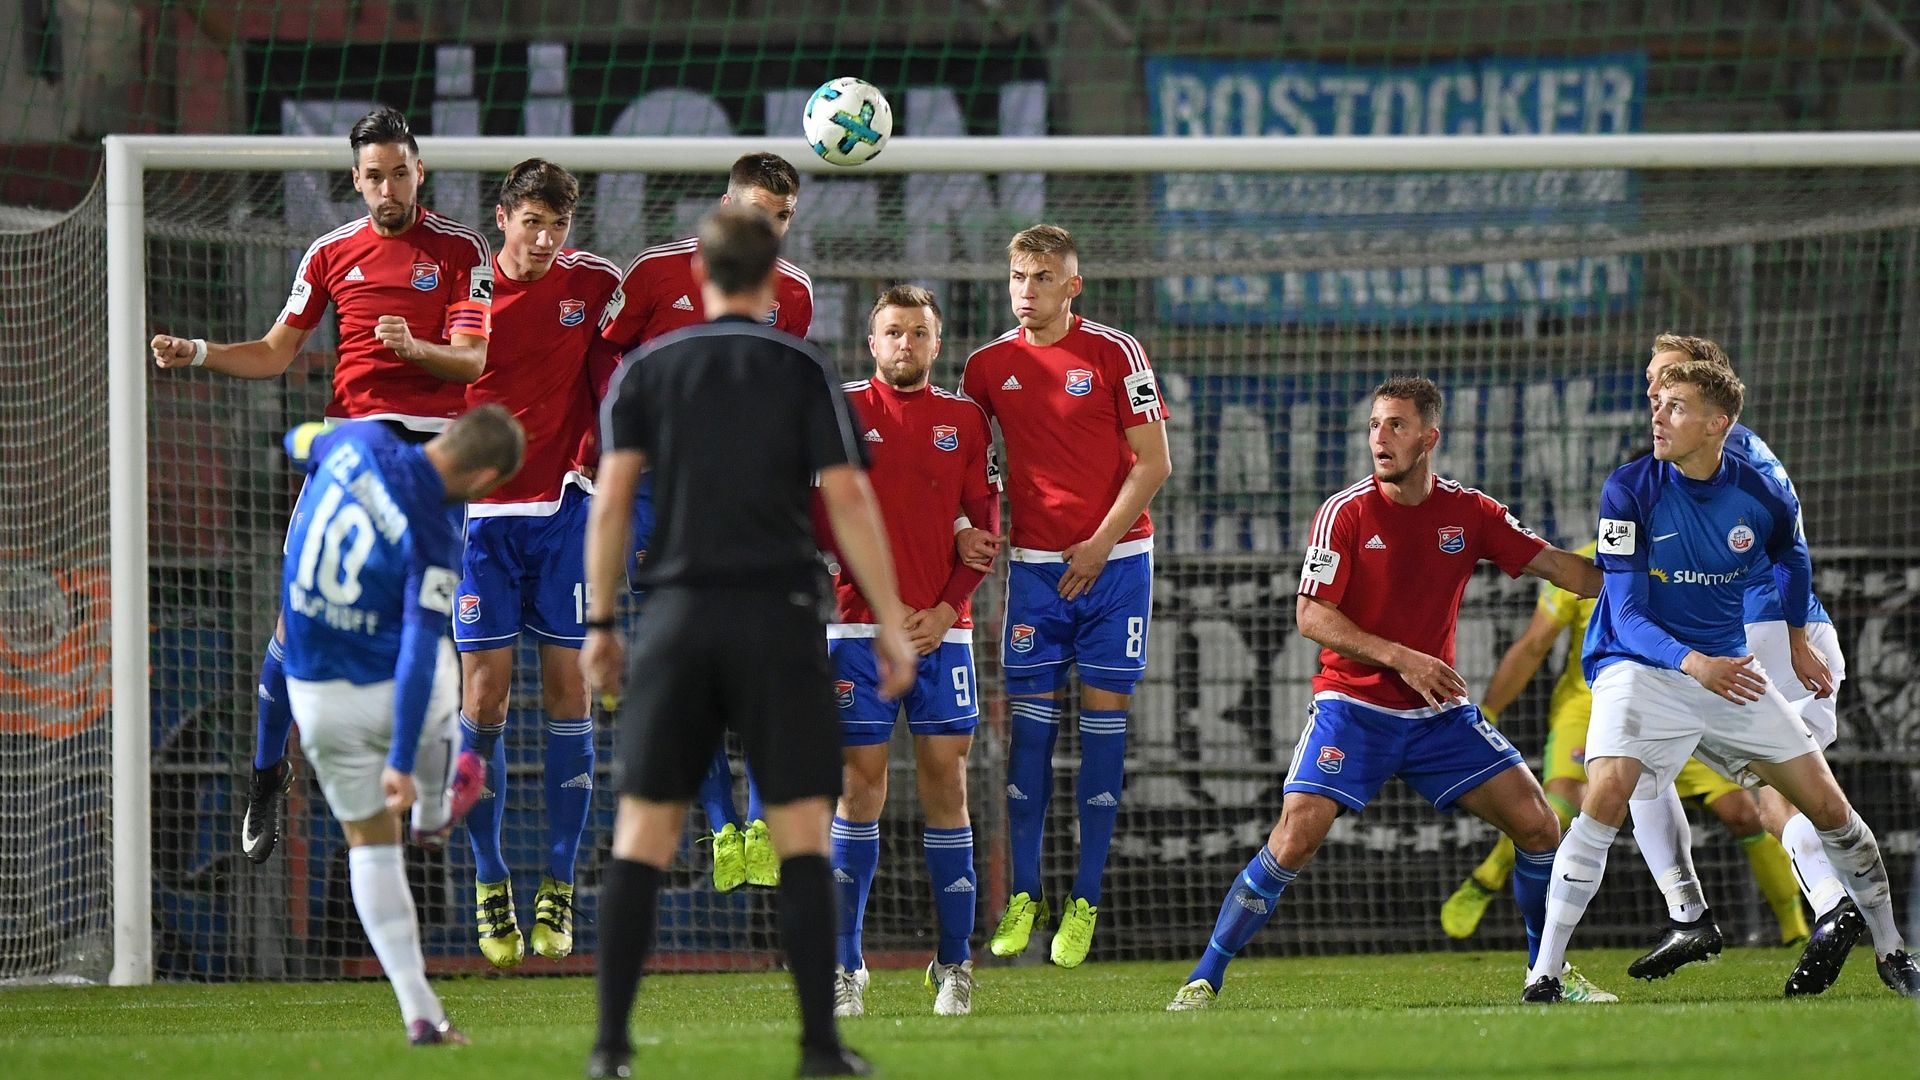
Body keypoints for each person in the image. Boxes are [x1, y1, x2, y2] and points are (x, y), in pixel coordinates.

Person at [580, 204, 913, 1079]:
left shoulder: (645, 371)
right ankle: (818, 1049)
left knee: (643, 835)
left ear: (699, 277)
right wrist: (885, 618)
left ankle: (611, 1050)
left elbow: (611, 503)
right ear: (772, 283)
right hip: (778, 620)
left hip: (677, 620)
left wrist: (602, 623)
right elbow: (847, 504)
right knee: (804, 834)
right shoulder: (803, 368)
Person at [1167, 377, 1613, 1011]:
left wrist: (1645, 574)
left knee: (1540, 826)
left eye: (1397, 425)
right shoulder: (1344, 513)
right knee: (1295, 837)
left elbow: (1564, 570)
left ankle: (1549, 975)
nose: (1381, 437)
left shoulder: (1471, 513)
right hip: (1353, 707)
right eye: (1375, 424)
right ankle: (1204, 977)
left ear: (1430, 438)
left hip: (1437, 714)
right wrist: (1403, 658)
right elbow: (1310, 615)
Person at [150, 105, 492, 865]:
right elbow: (276, 351)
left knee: (424, 626)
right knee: (293, 624)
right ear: (356, 179)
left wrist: (418, 347)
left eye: (401, 172)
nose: (389, 187)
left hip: (433, 459)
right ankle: (267, 773)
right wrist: (198, 350)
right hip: (346, 454)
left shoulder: (463, 249)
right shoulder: (331, 252)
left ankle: (420, 786)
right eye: (375, 176)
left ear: (419, 171)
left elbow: (471, 361)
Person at [1521, 359, 1918, 1002]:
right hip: (1642, 669)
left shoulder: (1760, 491)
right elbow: (1623, 612)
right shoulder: (1629, 488)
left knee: (1829, 808)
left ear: (1718, 423)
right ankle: (1546, 974)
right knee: (1610, 790)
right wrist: (1694, 663)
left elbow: (1791, 555)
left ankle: (1894, 951)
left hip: (1730, 671)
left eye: (1673, 403)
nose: (1656, 412)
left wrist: (1793, 639)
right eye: (1656, 400)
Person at [596, 151, 813, 893]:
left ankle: (757, 819)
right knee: (688, 666)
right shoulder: (655, 272)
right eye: (757, 212)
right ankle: (723, 827)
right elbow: (605, 358)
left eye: (781, 217)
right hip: (662, 494)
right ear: (725, 208)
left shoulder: (796, 294)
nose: (768, 227)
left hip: (745, 505)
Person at [1623, 335, 1863, 995]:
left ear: (1710, 393)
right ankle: (1829, 905)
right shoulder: (1725, 456)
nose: (1654, 393)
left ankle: (1693, 913)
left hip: (1763, 635)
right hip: (1785, 633)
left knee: (1637, 756)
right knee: (1771, 797)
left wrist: (1784, 639)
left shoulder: (1725, 462)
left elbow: (1775, 556)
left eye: (1668, 380)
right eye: (1651, 381)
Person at [960, 224, 1171, 969]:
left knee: (1104, 724)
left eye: (1043, 278)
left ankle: (1083, 900)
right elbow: (966, 466)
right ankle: (1027, 895)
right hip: (1036, 571)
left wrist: (1100, 543)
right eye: (1018, 276)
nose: (1027, 291)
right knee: (1031, 737)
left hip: (1115, 567)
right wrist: (964, 526)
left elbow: (1154, 463)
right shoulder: (985, 367)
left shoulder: (1117, 353)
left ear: (1072, 285)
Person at [279, 405, 524, 1043]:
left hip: (313, 699)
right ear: (486, 476)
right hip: (386, 688)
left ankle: (420, 1011)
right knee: (443, 661)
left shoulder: (356, 439)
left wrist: (310, 441)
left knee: (370, 846)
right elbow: (417, 652)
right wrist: (400, 760)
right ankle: (436, 810)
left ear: (447, 436)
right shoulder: (436, 532)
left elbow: (294, 439)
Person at [1438, 539, 1809, 949]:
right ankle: (1488, 880)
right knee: (1561, 801)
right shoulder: (1584, 563)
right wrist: (1489, 708)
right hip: (1591, 704)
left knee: (1741, 813)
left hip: (1680, 699)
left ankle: (1794, 928)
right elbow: (1532, 647)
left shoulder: (1693, 555)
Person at [454, 159, 623, 968]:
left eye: (558, 225)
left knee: (569, 689)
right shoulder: (463, 290)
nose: (546, 239)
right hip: (480, 521)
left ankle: (557, 882)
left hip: (564, 512)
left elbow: (634, 349)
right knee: (484, 697)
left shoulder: (593, 285)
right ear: (502, 219)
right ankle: (489, 879)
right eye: (532, 223)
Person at [822, 285, 1000, 1019]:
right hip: (858, 631)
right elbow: (820, 521)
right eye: (892, 332)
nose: (905, 345)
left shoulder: (965, 421)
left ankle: (955, 964)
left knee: (946, 787)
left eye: (917, 333)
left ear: (937, 342)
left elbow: (985, 532)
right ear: (872, 343)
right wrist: (888, 606)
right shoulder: (838, 411)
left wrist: (945, 607)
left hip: (940, 635)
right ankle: (844, 966)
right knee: (860, 789)